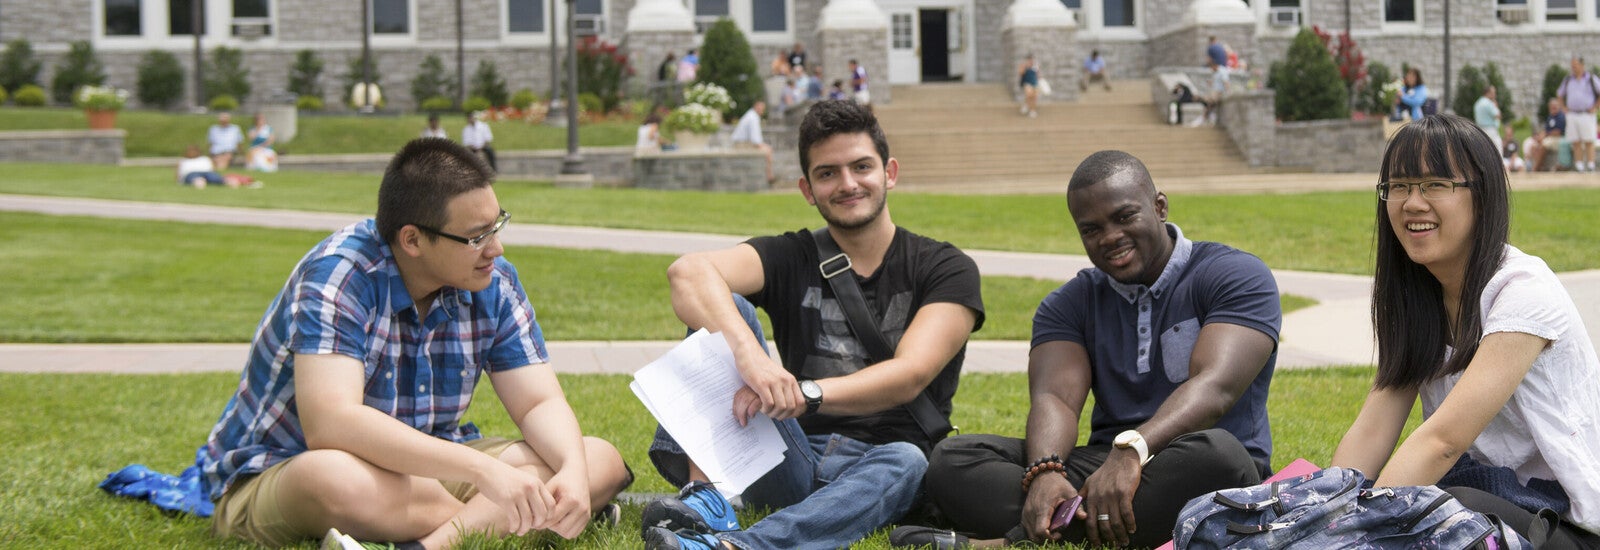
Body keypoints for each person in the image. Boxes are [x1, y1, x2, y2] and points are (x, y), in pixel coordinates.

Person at [194, 138, 633, 549]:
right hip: (287, 467)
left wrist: (574, 474)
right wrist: (486, 472)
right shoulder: (341, 274)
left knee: (599, 459)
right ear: (412, 239)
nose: (496, 249)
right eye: (477, 236)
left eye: (497, 224)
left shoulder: (492, 282)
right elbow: (332, 423)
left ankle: (436, 543)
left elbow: (538, 402)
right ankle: (513, 525)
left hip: (428, 466)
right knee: (331, 476)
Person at [639, 99, 985, 550]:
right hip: (789, 454)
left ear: (889, 172)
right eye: (828, 173)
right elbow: (687, 273)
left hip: (883, 464)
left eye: (861, 166)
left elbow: (910, 375)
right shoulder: (792, 256)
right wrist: (752, 359)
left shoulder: (945, 267)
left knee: (908, 460)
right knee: (727, 312)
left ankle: (739, 547)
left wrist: (805, 394)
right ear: (807, 189)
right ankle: (708, 497)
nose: (847, 184)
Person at [906, 150, 1280, 549]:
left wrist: (1133, 450)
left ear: (1160, 206)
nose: (1110, 238)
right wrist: (1045, 473)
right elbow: (1057, 400)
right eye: (1091, 229)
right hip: (1104, 466)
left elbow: (1215, 386)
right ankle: (1090, 520)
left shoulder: (1234, 275)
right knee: (955, 458)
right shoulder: (1069, 303)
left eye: (1124, 217)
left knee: (1222, 455)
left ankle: (1006, 541)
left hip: (1197, 462)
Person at [1331, 114, 1600, 548]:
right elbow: (1373, 429)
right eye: (1398, 186)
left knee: (1443, 512)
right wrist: (1324, 508)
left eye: (1435, 184)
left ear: (1482, 195)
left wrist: (1352, 531)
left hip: (1566, 523)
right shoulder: (1417, 295)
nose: (1412, 203)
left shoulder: (1523, 290)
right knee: (1432, 507)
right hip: (1483, 500)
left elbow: (1443, 442)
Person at [1557, 55, 1599, 172]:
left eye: (1575, 66)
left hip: (1587, 114)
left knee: (1589, 140)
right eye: (1572, 66)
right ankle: (1579, 165)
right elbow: (1560, 94)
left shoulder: (1591, 79)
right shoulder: (1568, 80)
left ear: (1582, 65)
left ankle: (1590, 165)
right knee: (1576, 140)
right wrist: (1563, 108)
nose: (1573, 68)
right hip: (1572, 114)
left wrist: (1595, 106)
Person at [730, 100, 774, 183]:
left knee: (767, 149)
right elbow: (756, 141)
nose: (762, 111)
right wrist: (765, 147)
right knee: (768, 150)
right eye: (761, 108)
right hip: (741, 144)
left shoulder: (750, 115)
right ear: (756, 106)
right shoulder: (753, 117)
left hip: (741, 142)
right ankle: (769, 177)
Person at [1536, 98, 1571, 171]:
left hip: (1560, 138)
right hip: (1551, 137)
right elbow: (1546, 130)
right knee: (1534, 145)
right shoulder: (1550, 117)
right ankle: (1540, 166)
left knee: (1544, 144)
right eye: (1552, 106)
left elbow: (1558, 132)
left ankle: (1536, 168)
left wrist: (1545, 135)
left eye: (1555, 106)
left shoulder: (1561, 117)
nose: (1553, 107)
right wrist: (1541, 136)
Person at [1475, 85, 1503, 152]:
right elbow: (1498, 115)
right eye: (1493, 93)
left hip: (1480, 129)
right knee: (1498, 149)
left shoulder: (1478, 103)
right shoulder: (1489, 103)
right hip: (1490, 130)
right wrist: (1496, 106)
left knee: (1484, 150)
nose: (1495, 95)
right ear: (1488, 93)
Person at [1018, 54, 1040, 118]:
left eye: (1032, 60)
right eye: (1030, 60)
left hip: (1035, 83)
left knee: (1034, 97)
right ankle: (1026, 105)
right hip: (1027, 83)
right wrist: (1025, 67)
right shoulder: (1024, 65)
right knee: (1029, 94)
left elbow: (1038, 75)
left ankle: (1032, 110)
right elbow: (1020, 73)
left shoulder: (1035, 66)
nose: (1031, 61)